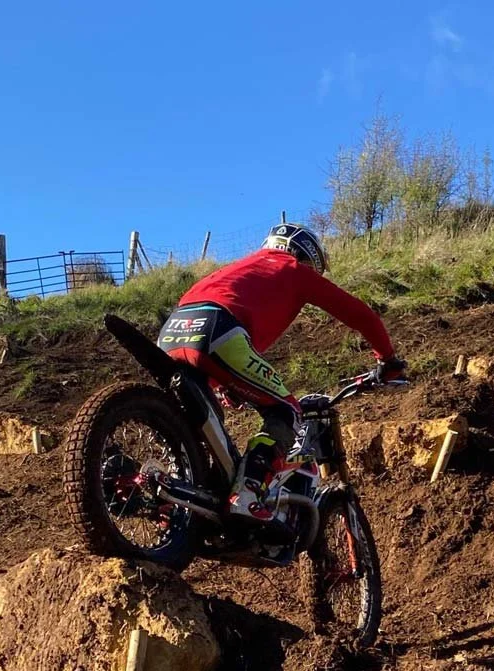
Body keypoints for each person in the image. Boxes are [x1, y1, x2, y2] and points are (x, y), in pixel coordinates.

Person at [157, 223, 405, 523]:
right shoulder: (294, 270)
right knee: (286, 412)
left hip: (173, 331)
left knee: (201, 422)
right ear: (305, 257)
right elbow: (360, 314)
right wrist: (387, 359)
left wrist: (225, 386)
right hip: (218, 329)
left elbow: (204, 338)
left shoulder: (234, 269)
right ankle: (247, 494)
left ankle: (173, 490)